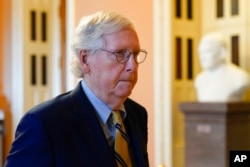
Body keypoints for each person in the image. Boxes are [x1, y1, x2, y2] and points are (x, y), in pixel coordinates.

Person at [5, 11, 149, 167]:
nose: (133, 66)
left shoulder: (137, 114)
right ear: (85, 59)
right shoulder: (44, 123)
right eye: (120, 54)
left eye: (134, 54)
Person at [195, 32, 250, 102]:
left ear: (222, 52)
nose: (202, 57)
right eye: (200, 53)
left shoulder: (240, 78)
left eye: (207, 52)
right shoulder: (200, 80)